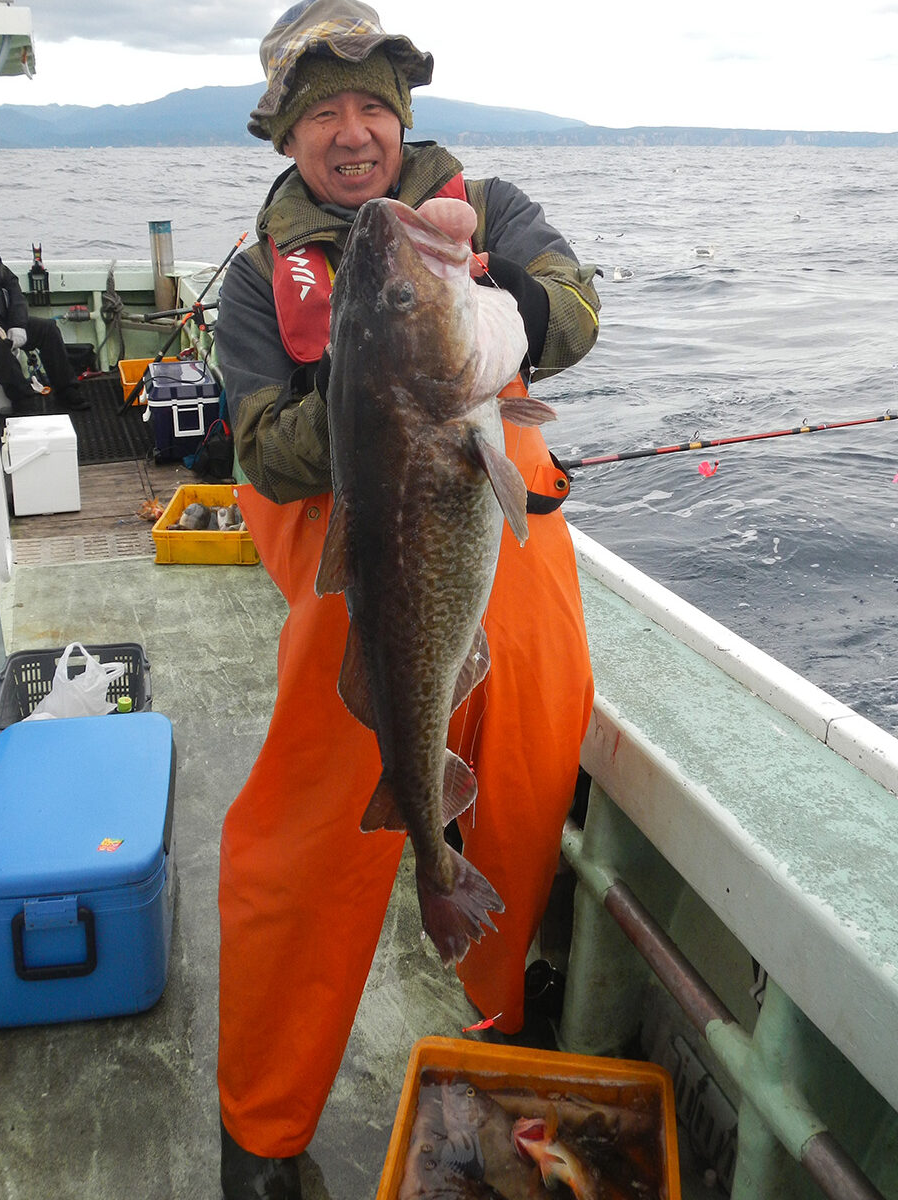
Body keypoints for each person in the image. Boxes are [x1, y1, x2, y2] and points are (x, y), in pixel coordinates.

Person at [213, 3, 601, 1196]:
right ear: (283, 133)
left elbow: (573, 309)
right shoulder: (250, 280)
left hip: (511, 571)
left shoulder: (486, 208)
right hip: (365, 602)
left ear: (403, 115)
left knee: (532, 784)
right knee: (302, 852)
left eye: (371, 104)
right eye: (321, 111)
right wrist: (367, 391)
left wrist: (496, 315)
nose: (350, 131)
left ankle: (499, 1018)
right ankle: (260, 1130)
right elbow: (260, 447)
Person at [0, 202, 88, 413]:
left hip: (5, 320)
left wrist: (18, 323)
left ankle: (67, 390)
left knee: (48, 330)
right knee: (0, 348)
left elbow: (13, 287)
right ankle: (24, 401)